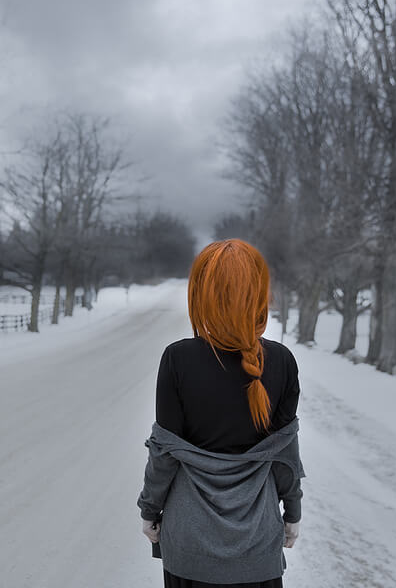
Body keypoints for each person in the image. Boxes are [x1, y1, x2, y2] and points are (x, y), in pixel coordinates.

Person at [137, 238, 304, 588]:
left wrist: (150, 510)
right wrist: (292, 513)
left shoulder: (177, 359)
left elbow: (164, 453)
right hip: (257, 544)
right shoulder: (283, 362)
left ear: (201, 293)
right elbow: (285, 455)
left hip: (189, 545)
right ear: (259, 293)